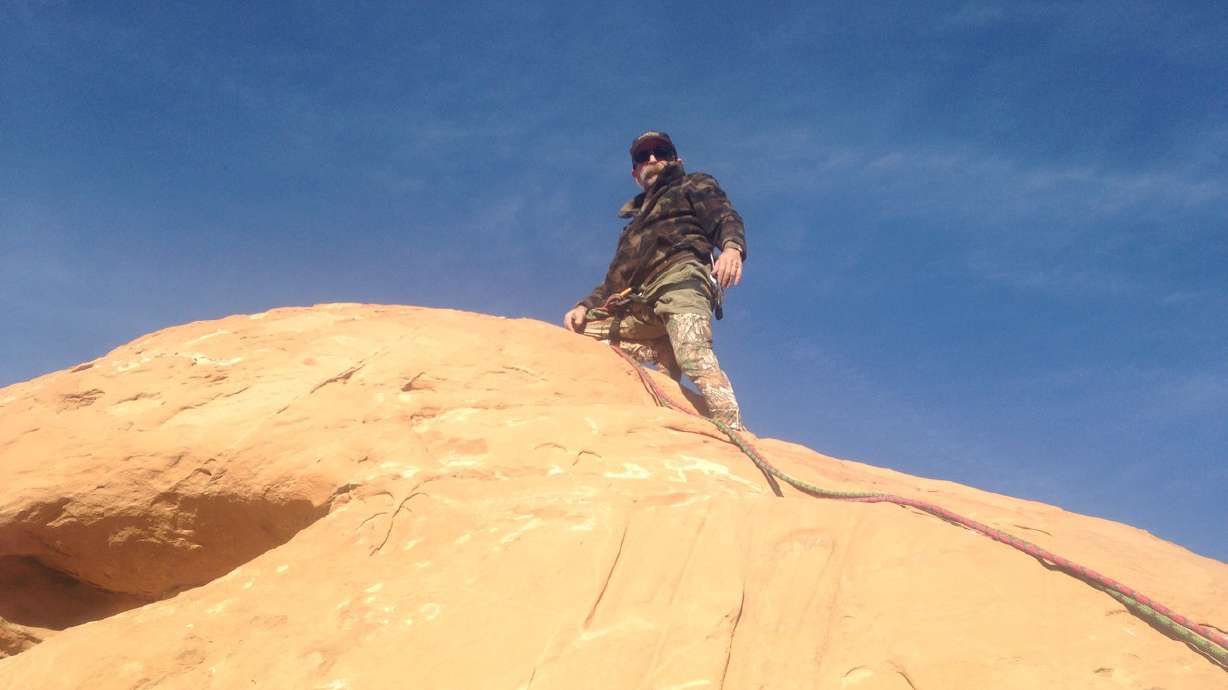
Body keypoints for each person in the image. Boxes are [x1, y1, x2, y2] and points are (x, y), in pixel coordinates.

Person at [563, 131, 746, 430]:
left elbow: (724, 216)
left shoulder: (693, 184)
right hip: (640, 303)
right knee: (581, 334)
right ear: (635, 172)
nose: (652, 159)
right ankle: (661, 348)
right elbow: (614, 281)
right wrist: (584, 306)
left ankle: (736, 434)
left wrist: (732, 248)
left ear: (676, 159)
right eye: (643, 156)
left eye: (660, 152)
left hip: (680, 279)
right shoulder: (634, 227)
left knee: (693, 353)